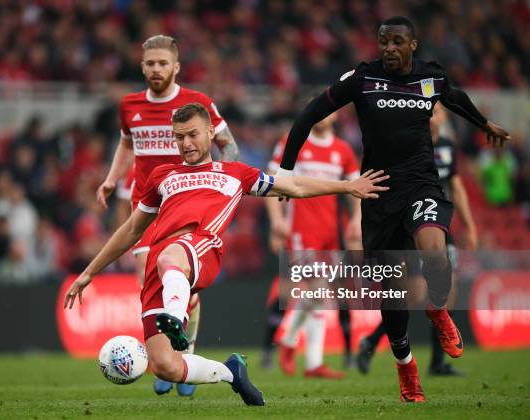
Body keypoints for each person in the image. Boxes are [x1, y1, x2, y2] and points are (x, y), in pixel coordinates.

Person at [64, 103, 388, 407]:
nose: (186, 143)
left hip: (200, 248)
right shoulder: (163, 175)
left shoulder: (235, 173)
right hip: (162, 270)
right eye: (179, 137)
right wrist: (89, 272)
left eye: (192, 134)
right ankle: (232, 372)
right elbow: (132, 230)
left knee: (169, 257)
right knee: (165, 366)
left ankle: (177, 319)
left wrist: (347, 186)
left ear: (210, 133)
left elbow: (294, 186)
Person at [275, 16, 510, 402]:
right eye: (383, 41)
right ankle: (406, 368)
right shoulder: (362, 79)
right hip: (378, 191)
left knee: (435, 249)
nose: (388, 48)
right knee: (394, 293)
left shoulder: (430, 78)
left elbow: (455, 98)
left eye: (397, 42)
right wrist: (285, 172)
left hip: (420, 183)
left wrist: (485, 124)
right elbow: (309, 114)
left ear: (412, 45)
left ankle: (437, 309)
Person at [95, 35, 239, 397]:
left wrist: (220, 180)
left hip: (186, 207)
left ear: (176, 66)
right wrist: (112, 179)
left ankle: (183, 353)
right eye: (150, 63)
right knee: (148, 281)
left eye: (163, 63)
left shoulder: (198, 103)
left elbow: (228, 143)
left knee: (181, 282)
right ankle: (169, 357)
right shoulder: (129, 105)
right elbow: (127, 143)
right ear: (142, 66)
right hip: (145, 205)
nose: (156, 69)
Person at [356, 102, 478, 376]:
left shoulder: (446, 147)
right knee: (409, 297)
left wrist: (469, 225)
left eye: (439, 112)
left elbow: (455, 186)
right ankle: (372, 341)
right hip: (404, 222)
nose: (433, 117)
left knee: (449, 290)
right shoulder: (405, 144)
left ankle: (437, 362)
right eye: (431, 112)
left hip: (434, 222)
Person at [262, 112, 360, 378]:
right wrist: (276, 220)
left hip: (331, 233)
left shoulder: (343, 149)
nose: (323, 116)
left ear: (337, 116)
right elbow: (271, 181)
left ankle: (311, 360)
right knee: (319, 289)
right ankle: (293, 342)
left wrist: (357, 219)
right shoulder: (292, 142)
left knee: (319, 296)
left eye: (329, 111)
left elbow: (355, 188)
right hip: (301, 231)